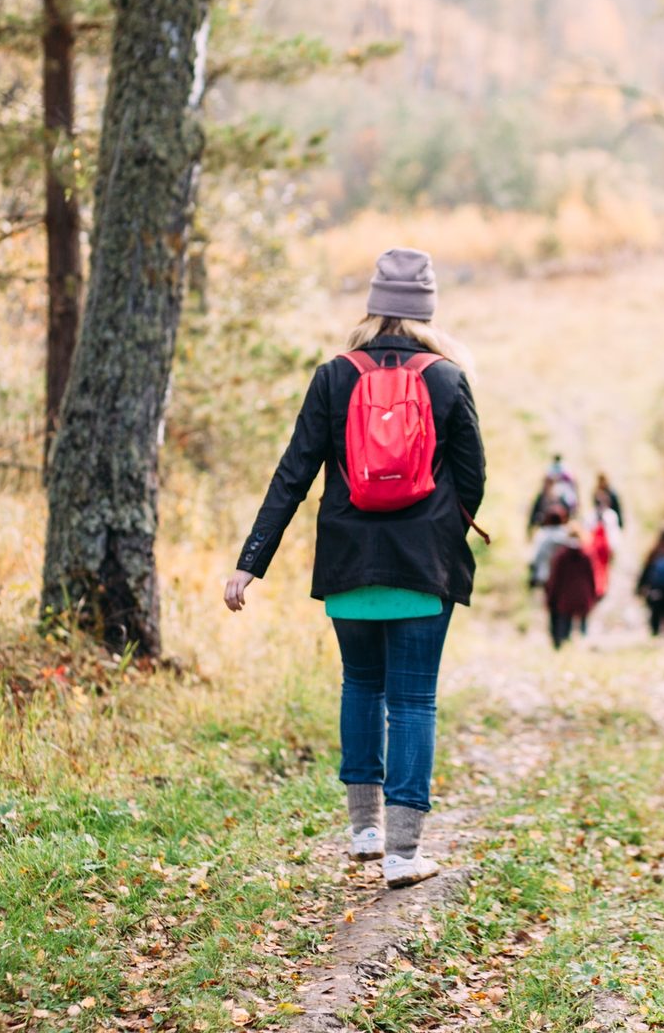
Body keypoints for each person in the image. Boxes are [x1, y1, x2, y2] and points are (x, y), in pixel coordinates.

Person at [224, 247, 486, 890]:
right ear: (427, 309)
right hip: (422, 567)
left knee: (361, 686)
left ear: (373, 307)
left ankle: (365, 831)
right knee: (414, 699)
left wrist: (250, 563)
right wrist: (437, 533)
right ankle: (403, 854)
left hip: (348, 563)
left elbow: (294, 474)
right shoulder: (448, 379)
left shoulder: (333, 376)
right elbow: (474, 478)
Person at [545, 524, 597, 648]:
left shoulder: (562, 555)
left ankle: (564, 646)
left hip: (565, 596)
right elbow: (592, 577)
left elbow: (555, 578)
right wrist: (593, 594)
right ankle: (581, 645)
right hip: (582, 594)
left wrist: (550, 596)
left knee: (564, 625)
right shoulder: (586, 555)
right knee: (582, 625)